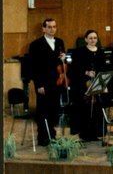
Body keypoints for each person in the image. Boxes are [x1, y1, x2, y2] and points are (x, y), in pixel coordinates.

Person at [29, 18, 67, 146]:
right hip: (43, 83)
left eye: (54, 26)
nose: (52, 29)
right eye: (49, 27)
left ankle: (52, 135)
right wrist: (39, 84)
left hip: (57, 82)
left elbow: (61, 62)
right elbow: (34, 67)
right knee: (43, 110)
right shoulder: (35, 44)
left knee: (54, 110)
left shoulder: (60, 42)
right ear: (43, 29)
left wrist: (63, 58)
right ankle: (43, 138)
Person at [69, 29, 107, 142]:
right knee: (84, 109)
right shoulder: (79, 52)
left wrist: (102, 81)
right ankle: (84, 134)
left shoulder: (101, 52)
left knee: (97, 108)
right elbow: (74, 68)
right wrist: (86, 72)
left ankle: (96, 133)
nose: (93, 40)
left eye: (95, 38)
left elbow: (103, 68)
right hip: (83, 84)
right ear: (86, 39)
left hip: (97, 83)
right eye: (90, 38)